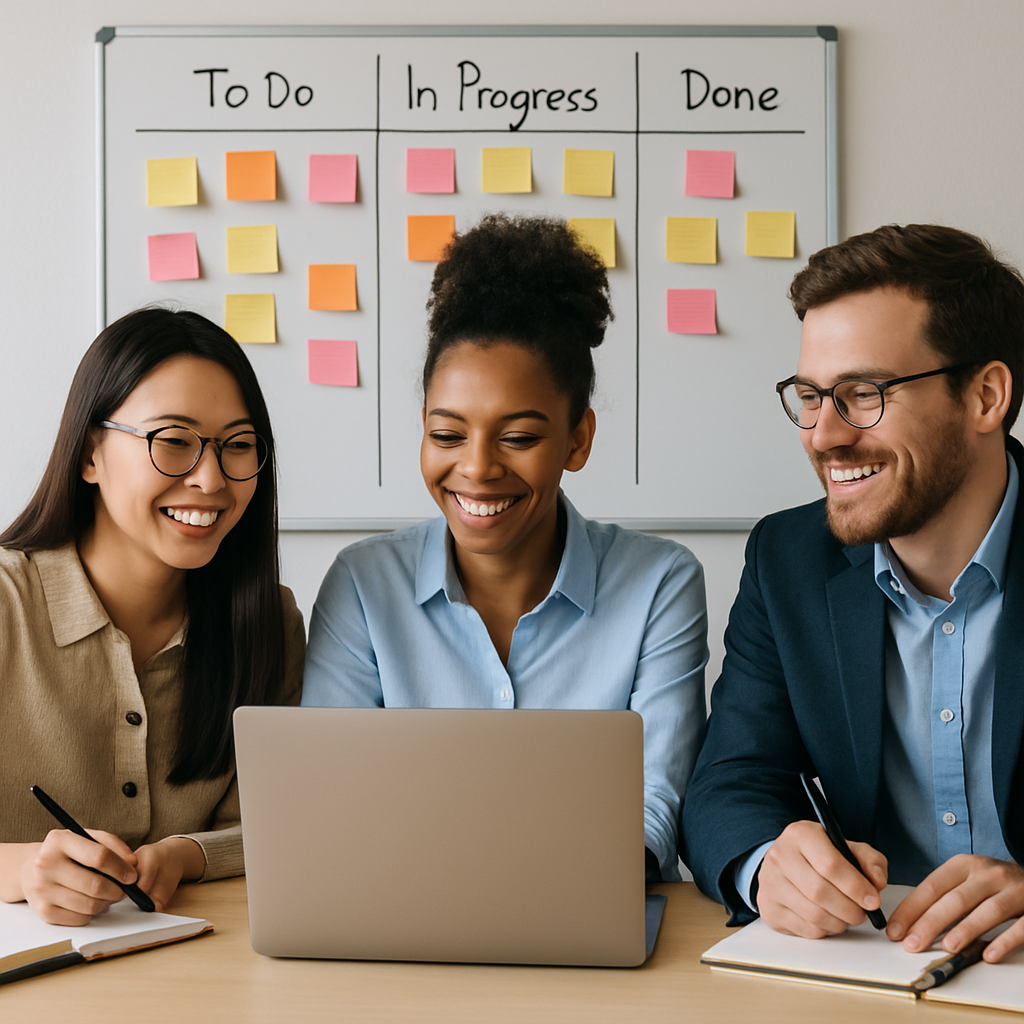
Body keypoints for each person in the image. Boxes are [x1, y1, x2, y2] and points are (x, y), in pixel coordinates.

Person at [303, 214, 708, 881]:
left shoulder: (660, 583)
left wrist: (553, 885)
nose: (478, 468)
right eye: (448, 434)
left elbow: (653, 802)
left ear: (577, 441)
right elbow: (328, 795)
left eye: (518, 437)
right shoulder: (363, 583)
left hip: (591, 900)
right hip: (403, 908)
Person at [683, 224, 1024, 963]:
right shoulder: (788, 560)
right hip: (869, 972)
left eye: (864, 393)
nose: (823, 435)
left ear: (986, 395)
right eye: (810, 396)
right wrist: (767, 864)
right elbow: (728, 783)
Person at [0, 308, 304, 925]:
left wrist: (187, 854)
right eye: (173, 442)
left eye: (238, 446)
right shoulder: (8, 605)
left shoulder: (269, 621)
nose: (211, 479)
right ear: (90, 454)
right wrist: (22, 868)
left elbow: (277, 826)